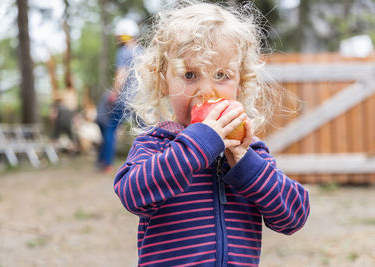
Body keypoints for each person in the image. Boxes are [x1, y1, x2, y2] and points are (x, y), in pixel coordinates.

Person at [113, 2, 310, 266]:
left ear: (241, 83)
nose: (206, 91)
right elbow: (132, 195)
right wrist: (197, 145)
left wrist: (244, 161)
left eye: (221, 75)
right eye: (190, 74)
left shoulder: (250, 151)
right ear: (163, 82)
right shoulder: (156, 144)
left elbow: (293, 217)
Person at [96, 18, 141, 172]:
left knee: (110, 129)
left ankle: (106, 162)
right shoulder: (142, 51)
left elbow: (121, 75)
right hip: (141, 99)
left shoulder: (124, 51)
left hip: (125, 99)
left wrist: (114, 94)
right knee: (144, 129)